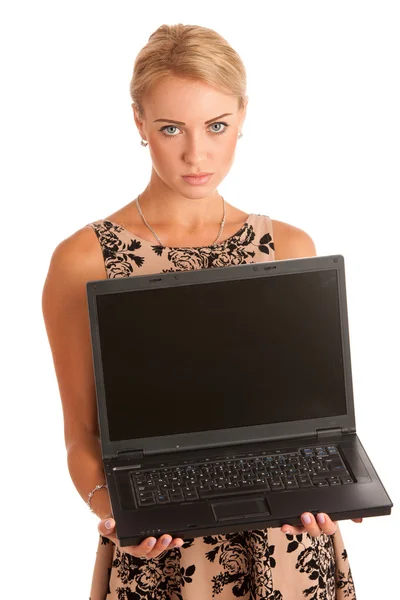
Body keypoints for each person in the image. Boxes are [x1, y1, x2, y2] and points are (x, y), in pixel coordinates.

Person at [42, 23, 361, 600]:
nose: (197, 154)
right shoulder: (83, 260)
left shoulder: (288, 247)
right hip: (162, 555)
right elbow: (81, 438)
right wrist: (118, 514)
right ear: (138, 122)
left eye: (216, 126)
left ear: (242, 115)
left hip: (286, 551)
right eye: (171, 128)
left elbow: (313, 422)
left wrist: (326, 490)